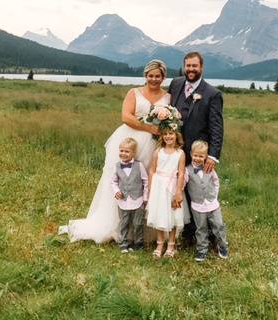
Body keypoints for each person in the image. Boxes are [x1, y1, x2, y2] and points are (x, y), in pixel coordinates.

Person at [59, 60, 169, 243]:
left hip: (153, 144)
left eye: (158, 76)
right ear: (145, 76)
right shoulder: (134, 92)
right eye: (150, 75)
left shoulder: (167, 97)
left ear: (163, 77)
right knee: (123, 178)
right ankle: (116, 224)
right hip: (131, 139)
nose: (154, 79)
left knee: (145, 182)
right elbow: (126, 116)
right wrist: (149, 129)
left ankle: (142, 231)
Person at [168, 52, 224, 244]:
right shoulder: (175, 84)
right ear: (184, 66)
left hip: (198, 153)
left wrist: (213, 156)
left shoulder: (212, 94)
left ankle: (208, 235)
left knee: (199, 194)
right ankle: (184, 231)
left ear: (201, 67)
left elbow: (217, 128)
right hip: (175, 151)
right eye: (188, 66)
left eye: (194, 66)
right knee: (177, 189)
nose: (191, 69)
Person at [146, 127, 186, 258]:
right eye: (165, 134)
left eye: (171, 134)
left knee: (173, 215)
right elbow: (152, 170)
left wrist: (178, 191)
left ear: (176, 135)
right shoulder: (158, 152)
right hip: (159, 187)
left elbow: (181, 174)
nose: (168, 137)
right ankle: (159, 244)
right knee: (159, 214)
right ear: (162, 137)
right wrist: (151, 188)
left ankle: (171, 244)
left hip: (173, 187)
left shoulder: (180, 153)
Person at [185, 140, 228, 262]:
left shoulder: (209, 168)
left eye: (201, 156)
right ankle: (202, 249)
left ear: (206, 156)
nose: (198, 158)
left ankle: (222, 246)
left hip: (212, 204)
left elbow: (216, 181)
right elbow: (182, 183)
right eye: (195, 155)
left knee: (218, 225)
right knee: (201, 228)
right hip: (197, 205)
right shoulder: (187, 170)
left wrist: (214, 195)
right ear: (191, 154)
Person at [111, 138, 148, 253]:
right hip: (123, 201)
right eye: (121, 150)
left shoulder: (139, 165)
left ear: (133, 153)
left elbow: (146, 181)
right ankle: (123, 242)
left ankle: (138, 242)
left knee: (137, 223)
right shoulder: (117, 166)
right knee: (124, 223)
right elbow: (113, 181)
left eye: (127, 151)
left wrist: (145, 197)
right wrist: (116, 191)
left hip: (138, 200)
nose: (123, 153)